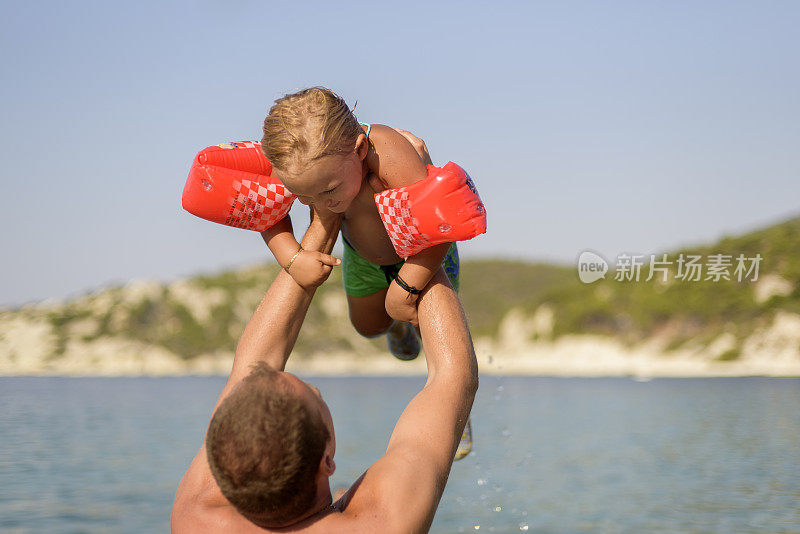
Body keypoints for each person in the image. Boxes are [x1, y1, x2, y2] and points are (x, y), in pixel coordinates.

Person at [170, 205, 479, 533]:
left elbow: (253, 364)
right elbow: (453, 376)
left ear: (220, 465)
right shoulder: (380, 524)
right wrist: (417, 232)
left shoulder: (196, 518)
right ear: (327, 460)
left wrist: (325, 220)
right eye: (317, 398)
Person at [260, 87, 461, 362]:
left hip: (421, 254)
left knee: (436, 335)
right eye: (303, 196)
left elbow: (440, 226)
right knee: (368, 327)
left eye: (330, 190)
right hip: (363, 256)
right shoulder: (296, 161)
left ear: (360, 149)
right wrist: (291, 256)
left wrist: (406, 289)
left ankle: (408, 322)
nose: (318, 203)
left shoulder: (388, 153)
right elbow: (266, 209)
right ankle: (396, 329)